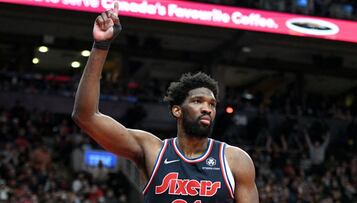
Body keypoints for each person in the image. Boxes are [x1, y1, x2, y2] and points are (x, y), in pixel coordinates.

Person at [72, 2, 258, 202]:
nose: (207, 109)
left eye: (212, 104)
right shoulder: (152, 150)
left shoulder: (236, 160)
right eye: (198, 101)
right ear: (177, 110)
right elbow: (86, 116)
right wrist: (101, 45)